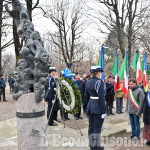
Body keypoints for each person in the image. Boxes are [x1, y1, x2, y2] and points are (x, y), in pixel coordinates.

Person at [85, 66, 106, 150]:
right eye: (100, 72)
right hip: (97, 107)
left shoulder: (88, 81)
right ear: (98, 73)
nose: (100, 74)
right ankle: (96, 146)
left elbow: (86, 96)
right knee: (97, 128)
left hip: (90, 106)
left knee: (91, 127)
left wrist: (88, 106)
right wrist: (104, 111)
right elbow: (101, 98)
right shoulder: (99, 82)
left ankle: (91, 145)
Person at [143, 80, 150, 146]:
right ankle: (148, 140)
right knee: (147, 127)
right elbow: (143, 103)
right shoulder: (146, 93)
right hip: (147, 114)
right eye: (149, 83)